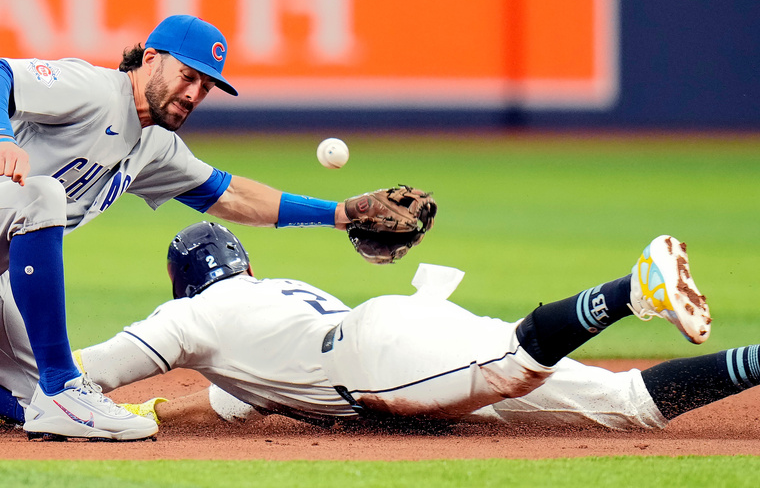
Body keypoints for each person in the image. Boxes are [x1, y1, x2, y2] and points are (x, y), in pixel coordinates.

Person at [0, 15, 376, 441]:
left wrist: (342, 214)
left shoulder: (156, 146)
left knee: (36, 401)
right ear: (150, 58)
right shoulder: (93, 89)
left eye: (206, 86)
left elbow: (232, 195)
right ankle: (64, 388)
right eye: (188, 75)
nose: (194, 93)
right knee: (41, 192)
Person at [70, 222, 757, 432]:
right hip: (406, 324)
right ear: (244, 262)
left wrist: (12, 396)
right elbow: (221, 402)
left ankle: (632, 290)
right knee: (627, 406)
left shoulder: (194, 316)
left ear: (180, 281)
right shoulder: (270, 302)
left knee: (514, 361)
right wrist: (157, 408)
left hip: (380, 361)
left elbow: (86, 368)